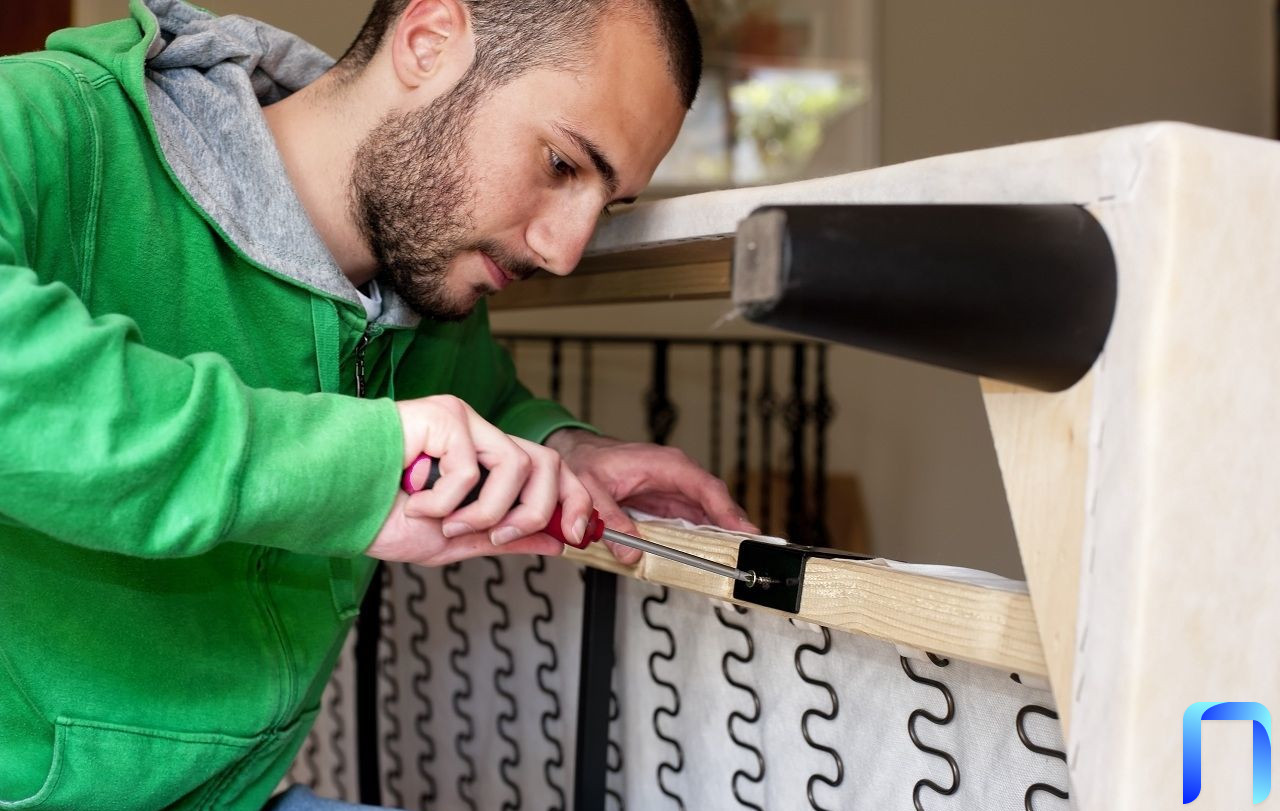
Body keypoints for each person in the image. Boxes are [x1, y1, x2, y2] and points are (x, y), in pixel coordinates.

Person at [0, 0, 756, 808]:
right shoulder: (40, 122)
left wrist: (565, 447)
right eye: (562, 164)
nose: (565, 251)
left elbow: (480, 399)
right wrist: (352, 465)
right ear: (428, 42)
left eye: (606, 205)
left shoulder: (426, 284)